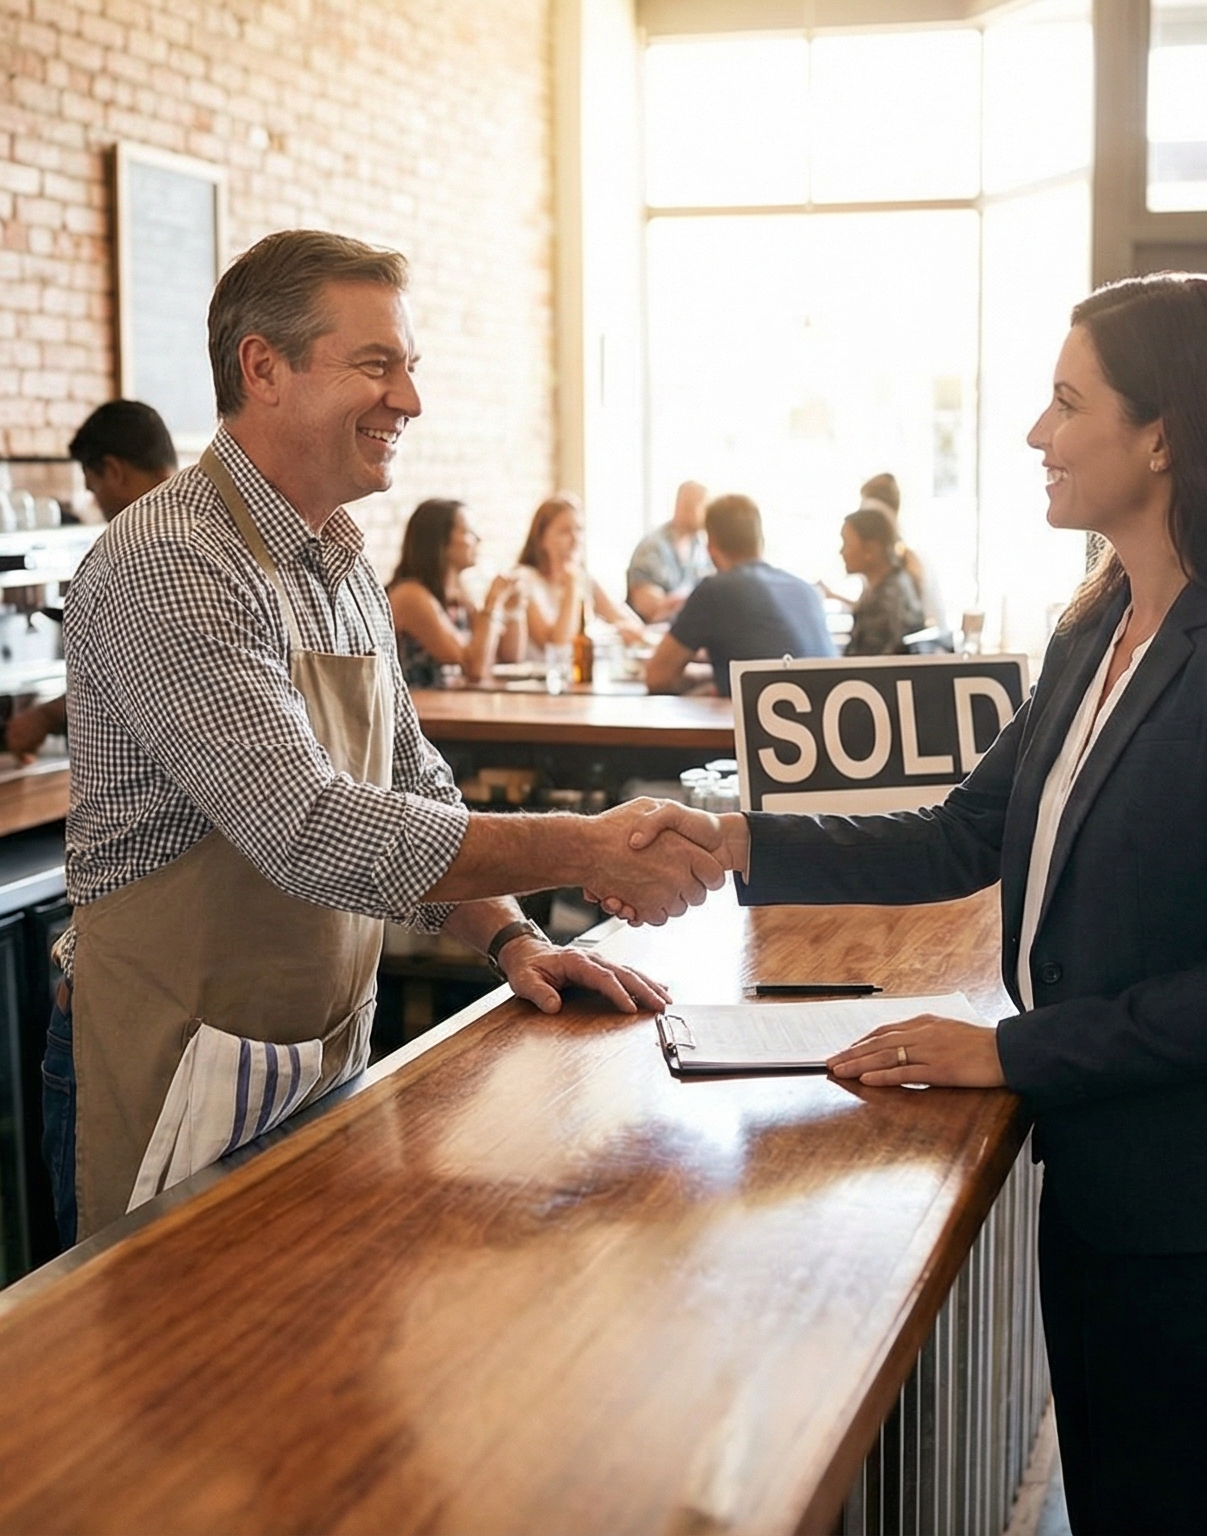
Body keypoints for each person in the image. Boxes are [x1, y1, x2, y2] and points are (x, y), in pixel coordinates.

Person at [616, 275, 1207, 1531]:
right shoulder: (1100, 623)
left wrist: (1010, 1048)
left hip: (1201, 1220)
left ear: (1164, 434)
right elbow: (964, 834)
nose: (1034, 434)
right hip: (1099, 1185)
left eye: (1067, 403)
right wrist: (736, 838)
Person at [47, 229, 728, 1246]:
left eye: (409, 367)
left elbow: (412, 790)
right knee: (168, 1393)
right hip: (169, 1071)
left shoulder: (340, 562)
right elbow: (309, 829)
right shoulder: (174, 561)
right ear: (262, 368)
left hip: (314, 1053)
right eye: (377, 364)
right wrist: (584, 845)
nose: (408, 398)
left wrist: (513, 935)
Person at [6, 401, 178, 761]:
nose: (97, 505)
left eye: (93, 488)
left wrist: (43, 717)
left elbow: (145, 680)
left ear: (113, 471)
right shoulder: (202, 525)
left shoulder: (145, 548)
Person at [642, 494, 835, 693]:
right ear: (761, 541)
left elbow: (657, 677)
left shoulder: (714, 591)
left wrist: (701, 679)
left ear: (710, 546)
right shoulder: (806, 590)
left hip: (762, 719)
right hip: (828, 718)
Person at [502, 493, 648, 660]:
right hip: (540, 680)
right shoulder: (524, 580)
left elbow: (634, 627)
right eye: (565, 531)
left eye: (579, 530)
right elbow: (558, 646)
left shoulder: (584, 579)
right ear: (542, 538)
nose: (575, 539)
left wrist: (617, 629)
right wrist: (571, 586)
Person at [385, 497, 505, 687]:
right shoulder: (411, 595)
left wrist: (514, 610)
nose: (478, 539)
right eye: (468, 532)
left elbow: (507, 655)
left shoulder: (458, 593)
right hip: (418, 713)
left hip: (449, 708)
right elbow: (475, 667)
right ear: (440, 540)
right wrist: (493, 603)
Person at [839, 504, 926, 656]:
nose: (841, 552)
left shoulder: (886, 599)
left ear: (870, 549)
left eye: (846, 542)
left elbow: (869, 666)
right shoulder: (895, 584)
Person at [627, 479, 711, 623]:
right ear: (684, 506)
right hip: (655, 636)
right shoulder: (653, 547)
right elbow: (648, 607)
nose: (708, 515)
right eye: (704, 507)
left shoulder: (701, 548)